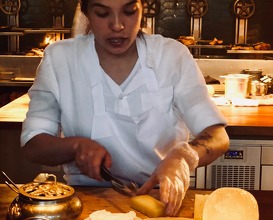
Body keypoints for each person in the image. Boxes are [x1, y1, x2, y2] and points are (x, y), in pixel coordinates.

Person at [21, 0, 229, 217]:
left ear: (143, 8)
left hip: (163, 200)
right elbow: (33, 144)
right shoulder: (60, 59)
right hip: (86, 201)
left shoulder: (172, 56)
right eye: (102, 14)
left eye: (129, 12)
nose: (117, 25)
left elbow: (218, 137)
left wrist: (183, 156)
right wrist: (75, 146)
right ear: (86, 13)